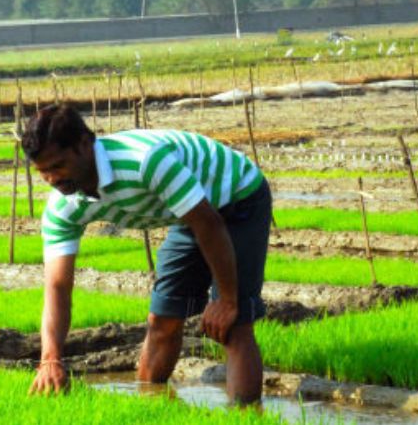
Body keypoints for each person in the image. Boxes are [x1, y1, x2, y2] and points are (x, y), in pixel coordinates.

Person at [24, 105, 271, 405]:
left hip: (237, 196)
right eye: (43, 171)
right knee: (162, 318)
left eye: (58, 166)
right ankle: (149, 406)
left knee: (233, 325)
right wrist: (50, 358)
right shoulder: (64, 205)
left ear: (85, 144)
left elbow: (209, 223)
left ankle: (244, 416)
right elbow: (58, 285)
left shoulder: (144, 162)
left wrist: (227, 300)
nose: (51, 178)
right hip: (188, 213)